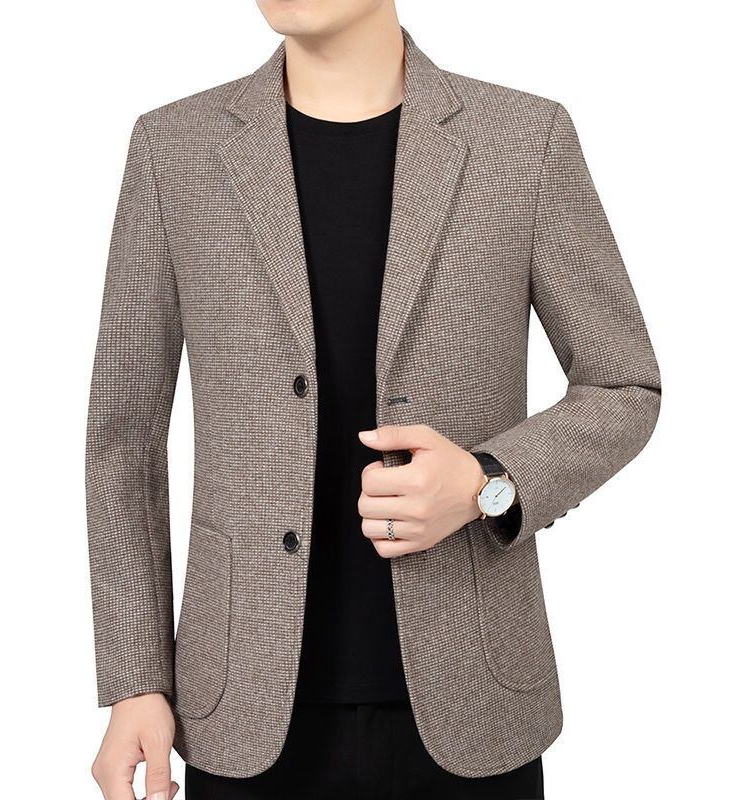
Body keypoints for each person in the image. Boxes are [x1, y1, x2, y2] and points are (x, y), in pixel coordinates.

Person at [86, 1, 661, 798]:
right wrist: (136, 680)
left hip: (474, 703)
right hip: (240, 708)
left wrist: (488, 481)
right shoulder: (174, 150)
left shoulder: (523, 141)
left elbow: (623, 383)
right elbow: (123, 437)